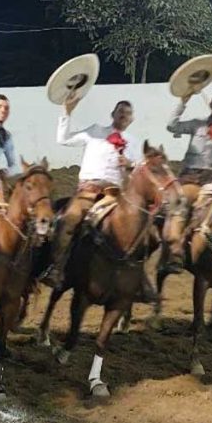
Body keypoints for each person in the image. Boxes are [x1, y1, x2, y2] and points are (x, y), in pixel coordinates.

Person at [42, 95, 142, 287]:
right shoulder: (96, 131)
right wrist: (66, 112)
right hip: (88, 190)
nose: (123, 115)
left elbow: (139, 169)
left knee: (140, 229)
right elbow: (63, 139)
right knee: (68, 221)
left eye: (128, 113)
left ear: (132, 119)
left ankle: (138, 279)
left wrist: (130, 164)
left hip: (115, 195)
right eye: (120, 111)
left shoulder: (134, 142)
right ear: (113, 114)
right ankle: (56, 267)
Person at [164, 90, 212, 270]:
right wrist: (183, 102)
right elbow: (171, 126)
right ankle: (175, 248)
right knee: (183, 202)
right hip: (191, 176)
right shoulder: (196, 125)